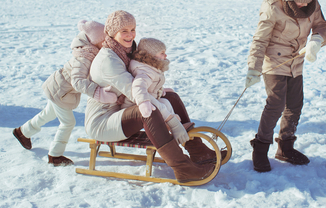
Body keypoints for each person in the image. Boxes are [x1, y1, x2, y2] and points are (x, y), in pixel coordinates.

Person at [84, 10, 219, 183]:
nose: (130, 35)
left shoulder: (124, 50)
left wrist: (159, 89)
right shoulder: (108, 61)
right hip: (103, 123)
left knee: (171, 97)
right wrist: (172, 121)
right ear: (111, 33)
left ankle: (198, 150)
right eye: (124, 31)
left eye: (133, 29)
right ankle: (183, 168)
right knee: (147, 110)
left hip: (121, 112)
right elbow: (137, 95)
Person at [245, 0, 326, 172]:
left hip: (296, 61)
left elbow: (320, 25)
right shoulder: (272, 6)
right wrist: (253, 68)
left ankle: (285, 146)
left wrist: (317, 40)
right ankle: (260, 148)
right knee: (275, 104)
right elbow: (260, 39)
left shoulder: (313, 4)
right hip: (274, 61)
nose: (305, 2)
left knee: (295, 105)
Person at [13, 20, 118, 166]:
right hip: (60, 92)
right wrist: (97, 92)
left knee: (47, 114)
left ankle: (22, 132)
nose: (106, 44)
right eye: (103, 41)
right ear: (95, 41)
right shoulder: (84, 57)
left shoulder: (89, 52)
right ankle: (55, 156)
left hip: (59, 89)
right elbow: (77, 81)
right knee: (68, 123)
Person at [127, 38, 189, 146]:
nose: (165, 56)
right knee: (163, 105)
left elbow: (151, 86)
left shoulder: (150, 67)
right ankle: (171, 127)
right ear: (151, 55)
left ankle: (174, 126)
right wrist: (143, 102)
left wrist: (160, 90)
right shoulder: (144, 71)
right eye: (162, 53)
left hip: (149, 101)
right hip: (136, 106)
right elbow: (138, 86)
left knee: (166, 102)